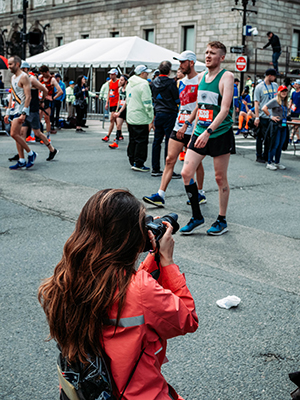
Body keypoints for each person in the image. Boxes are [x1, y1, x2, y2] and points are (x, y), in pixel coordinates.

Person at [38, 189, 198, 400]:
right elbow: (188, 319)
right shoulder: (139, 288)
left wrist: (152, 257)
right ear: (129, 238)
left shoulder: (64, 278)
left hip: (89, 391)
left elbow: (127, 290)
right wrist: (166, 261)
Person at [179, 41, 234, 236]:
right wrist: (190, 126)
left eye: (213, 53)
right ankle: (196, 217)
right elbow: (199, 106)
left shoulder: (227, 76)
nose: (208, 55)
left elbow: (225, 109)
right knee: (186, 173)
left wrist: (208, 132)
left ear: (222, 57)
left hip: (218, 133)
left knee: (220, 178)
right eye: (207, 52)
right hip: (199, 131)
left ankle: (222, 219)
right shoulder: (202, 76)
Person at [143, 50, 206, 208]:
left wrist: (191, 124)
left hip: (194, 128)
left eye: (183, 62)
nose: (180, 65)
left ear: (191, 62)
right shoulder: (180, 81)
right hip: (179, 124)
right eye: (179, 62)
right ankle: (160, 194)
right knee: (169, 160)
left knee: (196, 164)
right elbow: (181, 103)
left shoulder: (200, 79)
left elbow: (200, 105)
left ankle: (200, 193)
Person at [19, 61, 59, 161]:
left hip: (33, 109)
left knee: (37, 133)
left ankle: (52, 149)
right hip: (25, 109)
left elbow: (44, 90)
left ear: (25, 69)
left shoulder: (32, 80)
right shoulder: (20, 79)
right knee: (22, 133)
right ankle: (21, 154)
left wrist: (42, 100)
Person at [4, 55, 38, 170]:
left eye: (11, 64)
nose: (9, 66)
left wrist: (24, 112)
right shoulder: (13, 78)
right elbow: (12, 96)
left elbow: (28, 96)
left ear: (17, 64)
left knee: (14, 134)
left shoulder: (24, 77)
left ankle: (31, 153)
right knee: (17, 135)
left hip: (21, 110)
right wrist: (8, 112)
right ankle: (22, 160)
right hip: (14, 110)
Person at [150, 60, 180, 176]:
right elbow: (177, 99)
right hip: (170, 113)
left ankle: (155, 168)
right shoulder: (171, 83)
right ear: (169, 70)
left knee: (156, 141)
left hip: (158, 112)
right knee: (169, 141)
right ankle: (169, 169)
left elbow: (153, 98)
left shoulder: (154, 82)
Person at [126, 65, 154, 172]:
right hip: (141, 116)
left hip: (131, 115)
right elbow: (147, 102)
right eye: (146, 72)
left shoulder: (130, 83)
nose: (147, 74)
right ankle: (139, 162)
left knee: (133, 139)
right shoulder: (143, 84)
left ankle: (132, 159)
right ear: (142, 73)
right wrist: (150, 115)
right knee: (141, 141)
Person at [253, 68, 278, 163]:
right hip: (263, 116)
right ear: (270, 76)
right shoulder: (259, 87)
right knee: (260, 137)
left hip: (273, 116)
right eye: (274, 76)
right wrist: (257, 117)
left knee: (270, 138)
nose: (275, 78)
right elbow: (256, 103)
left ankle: (266, 155)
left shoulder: (275, 85)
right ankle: (259, 155)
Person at [262, 85, 289, 171]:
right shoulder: (275, 101)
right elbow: (264, 108)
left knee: (280, 145)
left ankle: (277, 162)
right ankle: (269, 162)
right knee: (275, 144)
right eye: (282, 91)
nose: (284, 92)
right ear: (279, 92)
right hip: (275, 125)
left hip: (283, 125)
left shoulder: (284, 102)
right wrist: (271, 116)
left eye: (285, 91)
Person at [39, 65, 63, 137]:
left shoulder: (52, 80)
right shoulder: (40, 78)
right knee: (39, 117)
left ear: (47, 72)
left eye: (43, 73)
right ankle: (39, 134)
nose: (42, 75)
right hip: (41, 99)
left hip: (48, 100)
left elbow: (60, 91)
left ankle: (48, 135)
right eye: (41, 73)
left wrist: (53, 97)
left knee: (47, 118)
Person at [108, 74, 128, 149]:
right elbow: (119, 101)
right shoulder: (120, 89)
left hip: (127, 109)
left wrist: (120, 111)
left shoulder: (128, 89)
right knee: (118, 125)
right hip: (120, 109)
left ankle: (132, 142)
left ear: (126, 81)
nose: (120, 81)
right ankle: (116, 141)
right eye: (120, 80)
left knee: (130, 127)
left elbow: (126, 102)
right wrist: (117, 110)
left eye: (122, 80)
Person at [102, 68, 119, 142]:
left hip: (116, 103)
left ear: (115, 74)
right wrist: (107, 102)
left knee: (112, 119)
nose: (110, 75)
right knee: (115, 120)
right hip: (111, 102)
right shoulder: (110, 82)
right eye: (110, 74)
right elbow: (109, 92)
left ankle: (108, 135)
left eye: (112, 74)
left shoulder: (119, 82)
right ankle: (119, 134)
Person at [289, 79, 300, 143]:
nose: (295, 85)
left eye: (296, 84)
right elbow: (291, 100)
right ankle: (298, 138)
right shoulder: (293, 93)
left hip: (298, 111)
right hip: (293, 110)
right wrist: (289, 107)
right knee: (294, 125)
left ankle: (291, 137)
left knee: (295, 125)